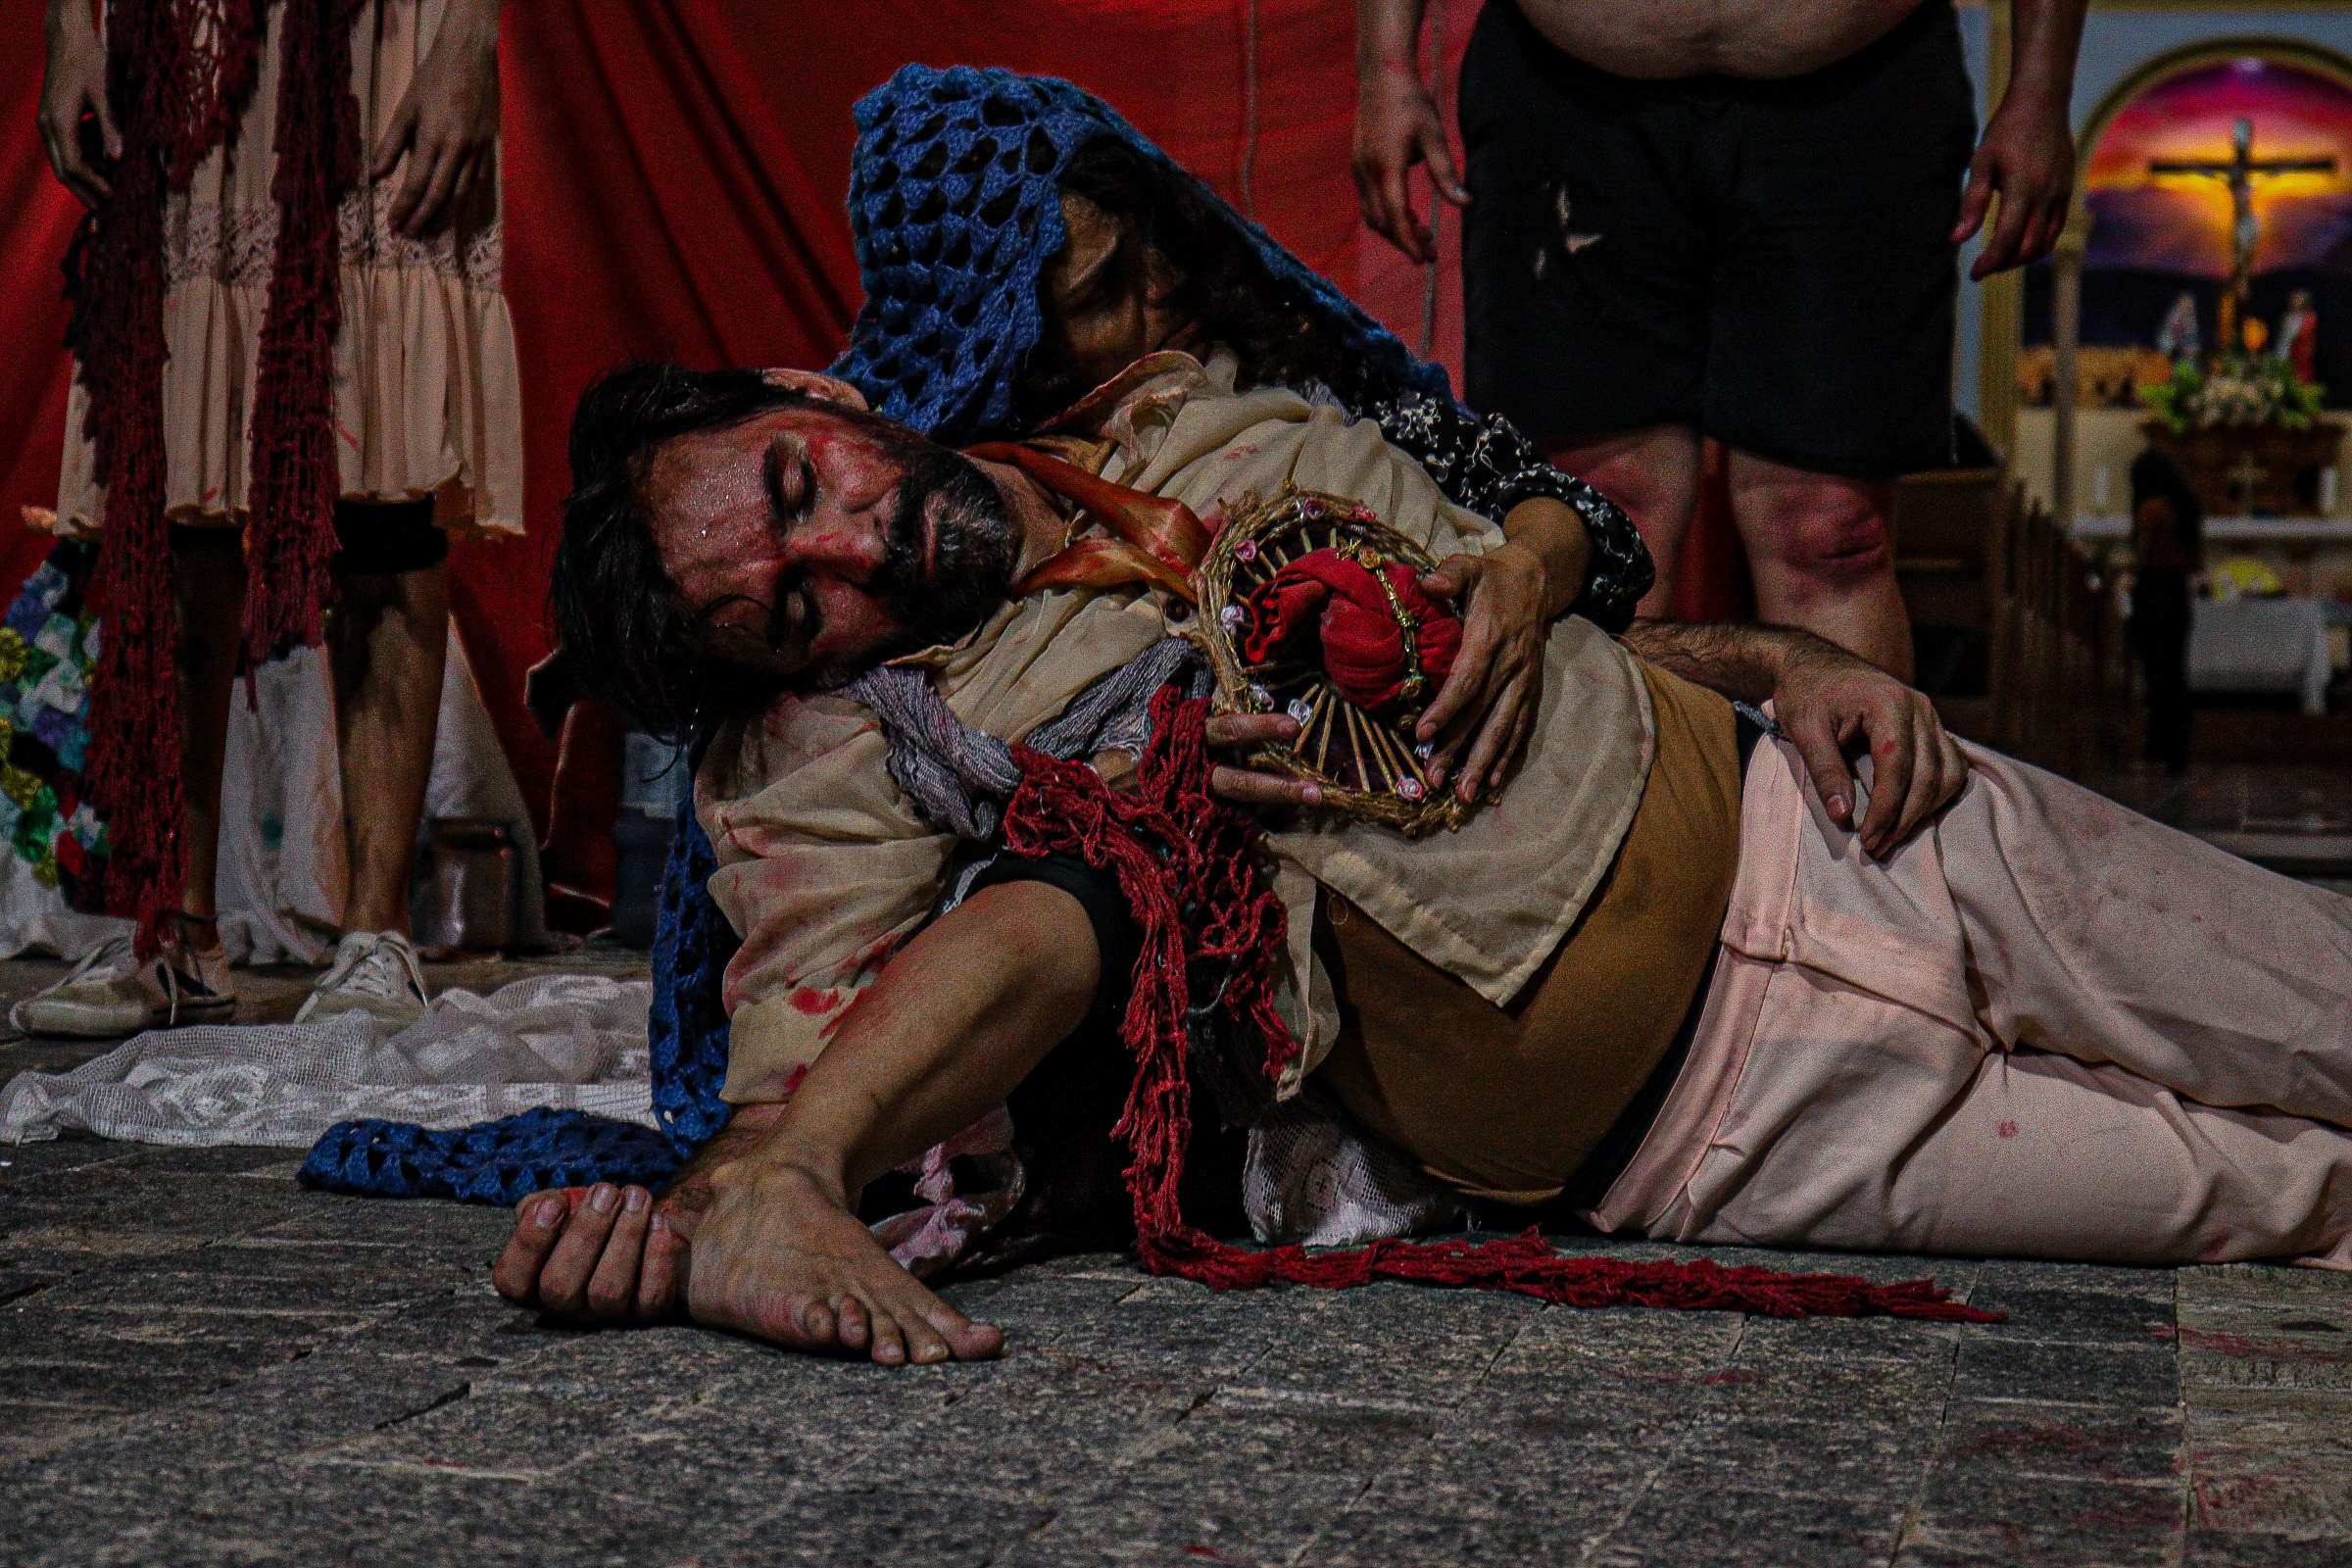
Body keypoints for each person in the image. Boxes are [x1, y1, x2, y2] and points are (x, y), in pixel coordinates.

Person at [490, 353, 2352, 1365]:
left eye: (807, 494)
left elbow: (1572, 607)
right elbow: (802, 1037)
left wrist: (1793, 659)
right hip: (1739, 1138)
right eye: (793, 609)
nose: (859, 560)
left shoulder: (1203, 411)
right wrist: (700, 1207)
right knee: (2306, 1210)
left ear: (811, 398)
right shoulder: (858, 756)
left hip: (1879, 841)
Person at [23, 0, 522, 1035]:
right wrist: (71, 30)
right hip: (183, 44)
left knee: (380, 471)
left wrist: (469, 38)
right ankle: (176, 933)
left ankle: (374, 937)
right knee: (172, 490)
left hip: (382, 42)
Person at [1352, 0, 2092, 677]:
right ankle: (1625, 820)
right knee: (1594, 522)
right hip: (1569, 94)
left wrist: (2041, 86)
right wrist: (1386, 64)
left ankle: (1841, 823)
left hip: (1858, 93)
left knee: (1831, 530)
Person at [2129, 450, 2202, 773]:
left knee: (2156, 674)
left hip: (2154, 592)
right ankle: (2178, 750)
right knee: (2174, 673)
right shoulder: (2187, 508)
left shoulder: (2152, 509)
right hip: (2178, 593)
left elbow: (2143, 554)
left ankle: (2157, 747)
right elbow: (2196, 561)